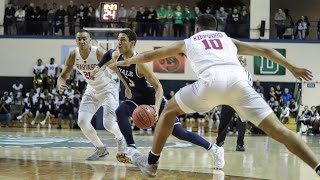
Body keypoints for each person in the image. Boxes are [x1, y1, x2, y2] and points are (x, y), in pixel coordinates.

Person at [111, 14, 319, 178]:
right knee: (280, 132)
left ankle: (151, 164)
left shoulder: (189, 40)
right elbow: (266, 50)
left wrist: (127, 61)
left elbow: (151, 55)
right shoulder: (228, 40)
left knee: (169, 111)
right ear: (216, 29)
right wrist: (292, 67)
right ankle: (317, 167)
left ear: (196, 29)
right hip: (240, 85)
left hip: (210, 84)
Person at [93, 29, 222, 167]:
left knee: (179, 132)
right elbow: (107, 54)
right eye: (118, 39)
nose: (119, 42)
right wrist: (100, 68)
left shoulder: (140, 64)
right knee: (120, 111)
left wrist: (155, 106)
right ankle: (131, 148)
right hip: (137, 99)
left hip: (155, 101)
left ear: (132, 43)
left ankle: (215, 149)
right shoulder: (116, 55)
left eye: (123, 39)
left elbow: (159, 87)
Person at [57, 29, 126, 161]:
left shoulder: (98, 52)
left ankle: (120, 138)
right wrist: (60, 83)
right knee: (82, 122)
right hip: (92, 90)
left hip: (108, 89)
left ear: (90, 41)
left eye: (84, 39)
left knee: (109, 124)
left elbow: (116, 69)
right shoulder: (73, 54)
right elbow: (64, 75)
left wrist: (127, 86)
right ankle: (101, 149)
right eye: (79, 39)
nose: (82, 41)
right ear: (76, 41)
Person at [216, 56, 252, 152]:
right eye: (239, 60)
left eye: (242, 61)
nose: (240, 62)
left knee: (242, 123)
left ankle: (240, 144)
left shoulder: (248, 74)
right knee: (224, 122)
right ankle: (219, 142)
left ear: (245, 63)